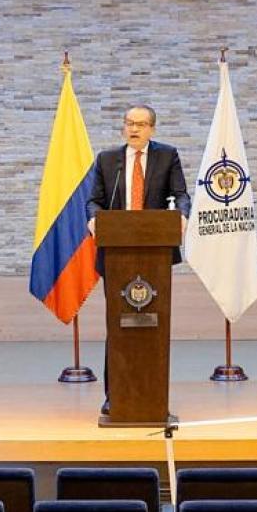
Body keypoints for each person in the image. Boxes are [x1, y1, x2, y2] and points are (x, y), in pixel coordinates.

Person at [86, 105, 191, 415]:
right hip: (116, 254)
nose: (134, 129)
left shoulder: (167, 156)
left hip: (154, 254)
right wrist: (95, 222)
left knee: (153, 324)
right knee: (117, 324)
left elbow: (181, 194)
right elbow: (94, 201)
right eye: (130, 123)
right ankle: (113, 395)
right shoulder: (108, 160)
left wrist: (181, 217)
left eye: (141, 124)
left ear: (152, 130)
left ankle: (154, 396)